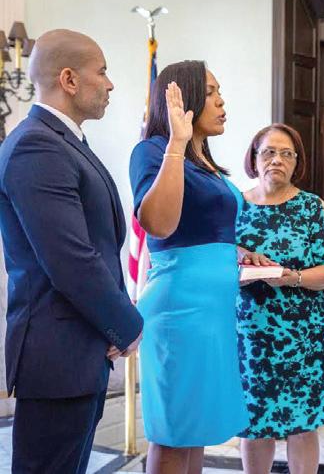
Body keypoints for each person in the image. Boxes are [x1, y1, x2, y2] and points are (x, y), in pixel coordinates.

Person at [0, 29, 143, 473]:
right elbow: (70, 259)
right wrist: (126, 324)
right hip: (57, 353)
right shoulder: (36, 145)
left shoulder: (65, 141)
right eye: (102, 72)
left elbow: (97, 245)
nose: (110, 84)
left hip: (79, 348)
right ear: (69, 79)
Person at [129, 61, 269, 474]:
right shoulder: (153, 151)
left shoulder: (203, 161)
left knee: (196, 433)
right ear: (185, 99)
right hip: (180, 310)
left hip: (214, 313)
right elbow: (158, 224)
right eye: (210, 92)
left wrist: (236, 250)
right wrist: (176, 143)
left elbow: (201, 225)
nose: (222, 101)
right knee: (175, 435)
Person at [236, 123, 324, 474]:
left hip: (305, 337)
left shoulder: (312, 207)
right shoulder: (235, 205)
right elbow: (215, 257)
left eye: (287, 154)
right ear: (254, 158)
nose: (277, 160)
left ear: (296, 162)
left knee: (303, 424)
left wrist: (294, 278)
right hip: (251, 336)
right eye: (269, 152)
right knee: (255, 422)